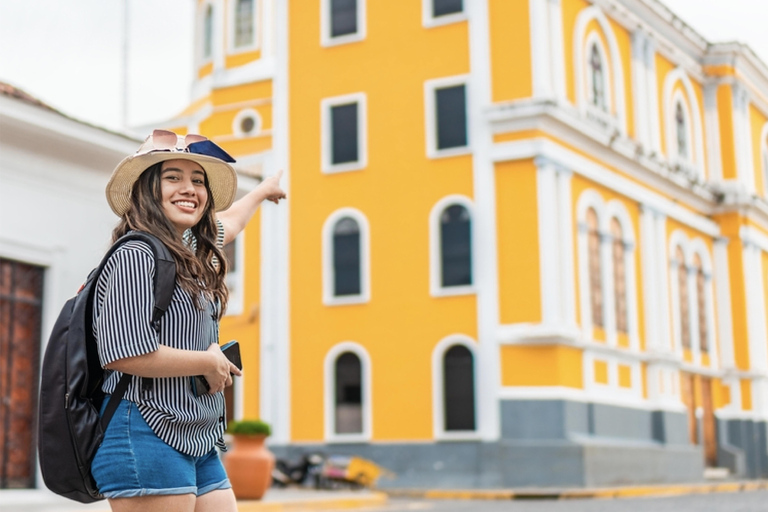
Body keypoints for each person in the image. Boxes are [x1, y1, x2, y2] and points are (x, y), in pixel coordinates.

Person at [90, 129, 286, 512]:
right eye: (173, 177)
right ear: (148, 189)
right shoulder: (135, 254)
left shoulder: (192, 254)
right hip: (145, 428)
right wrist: (208, 360)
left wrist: (262, 192)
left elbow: (232, 222)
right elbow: (123, 353)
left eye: (198, 181)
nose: (189, 188)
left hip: (197, 432)